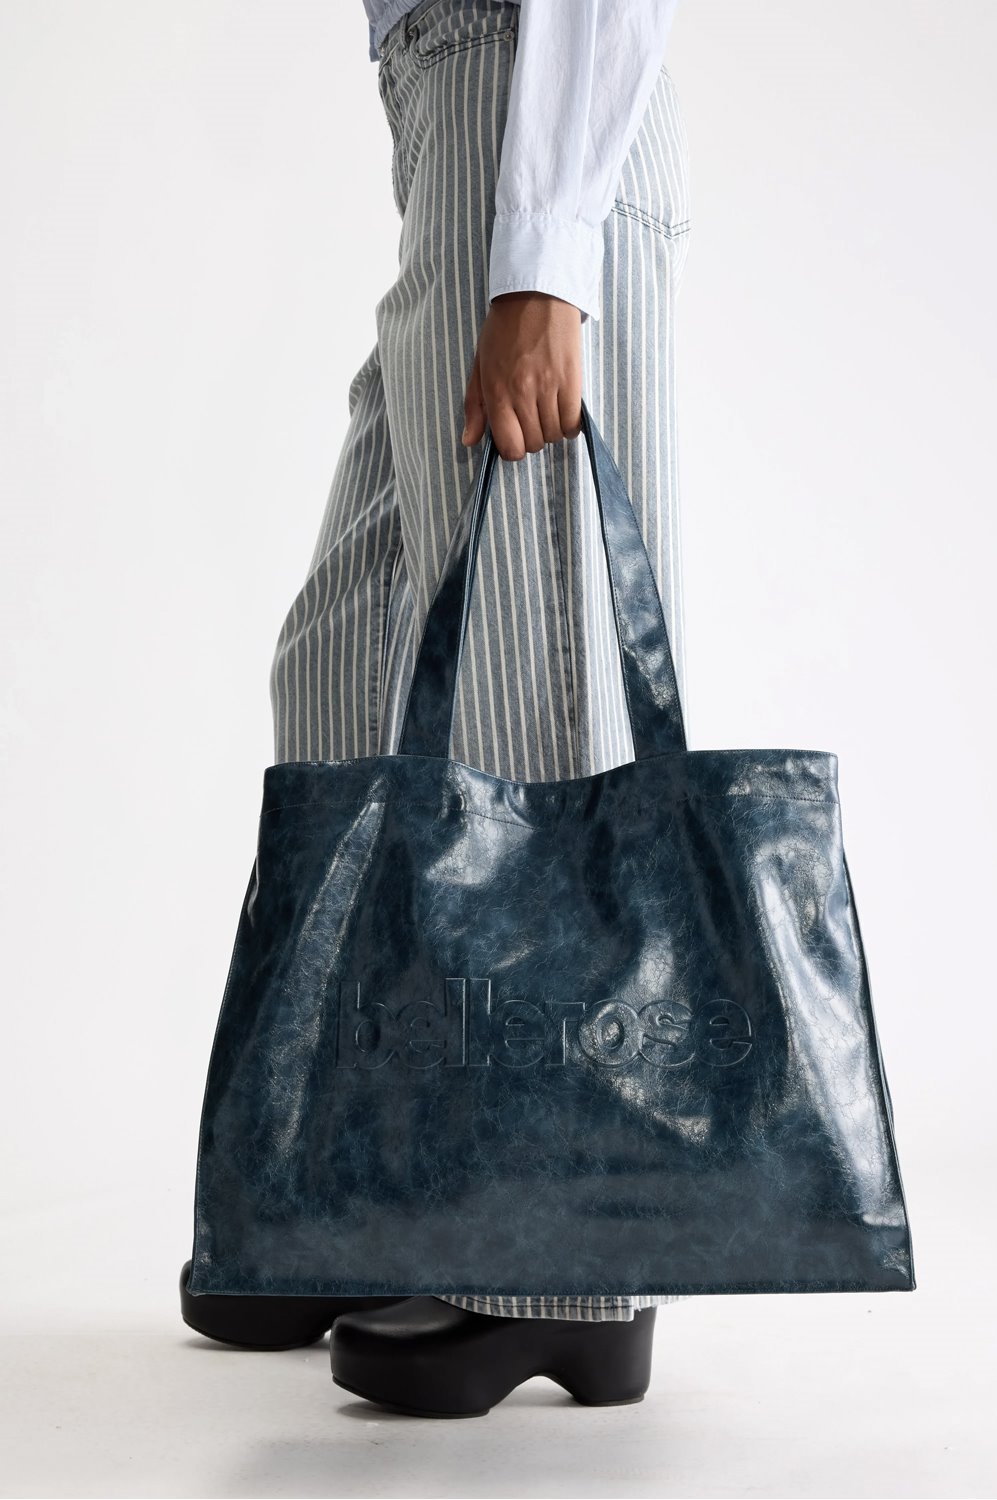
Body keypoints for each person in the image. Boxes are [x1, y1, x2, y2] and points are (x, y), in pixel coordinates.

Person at [181, 0, 693, 1415]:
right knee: (339, 667)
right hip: (448, 118)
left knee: (533, 690)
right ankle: (367, 1194)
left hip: (531, 107)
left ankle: (562, 1268)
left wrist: (547, 254)